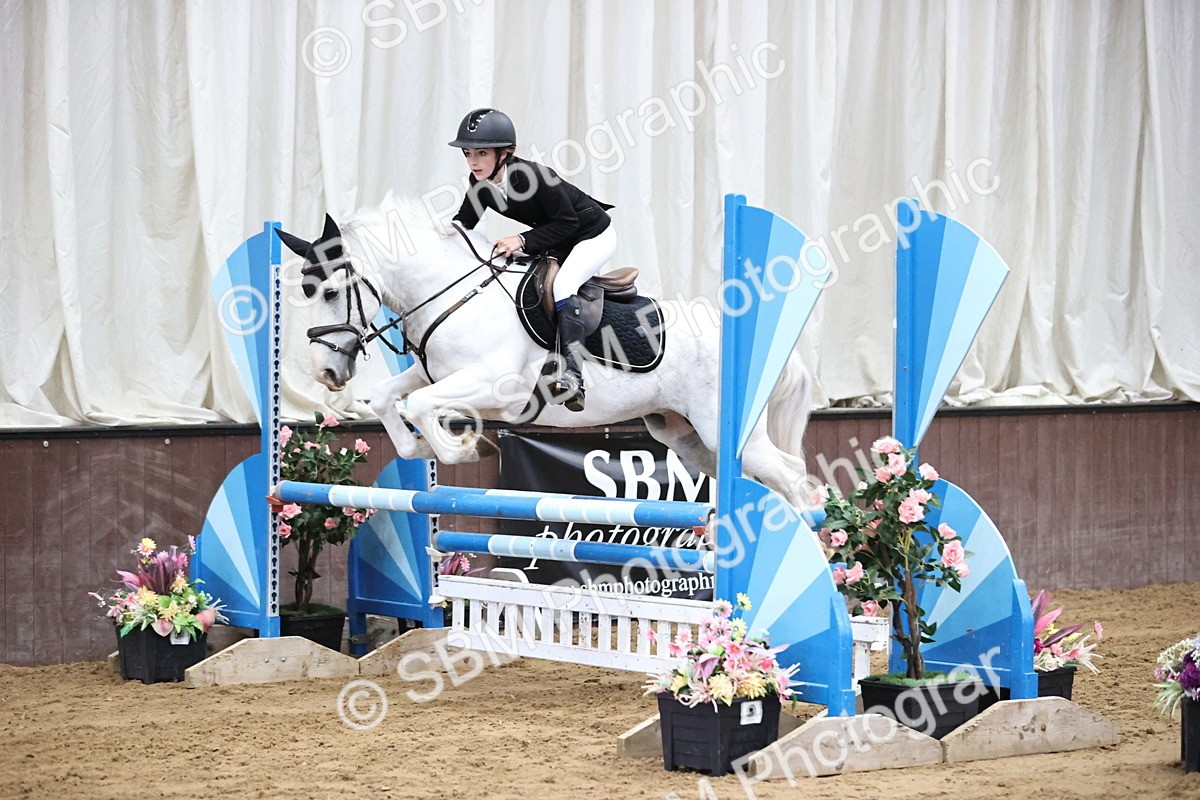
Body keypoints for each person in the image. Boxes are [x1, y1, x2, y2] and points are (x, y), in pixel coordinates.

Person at [448, 108, 615, 412]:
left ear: (505, 153)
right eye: (468, 153)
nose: (473, 161)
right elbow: (463, 224)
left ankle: (573, 376)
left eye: (482, 153)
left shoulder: (535, 176)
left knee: (563, 286)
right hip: (556, 239)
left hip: (592, 234)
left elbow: (568, 223)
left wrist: (522, 240)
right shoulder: (479, 184)